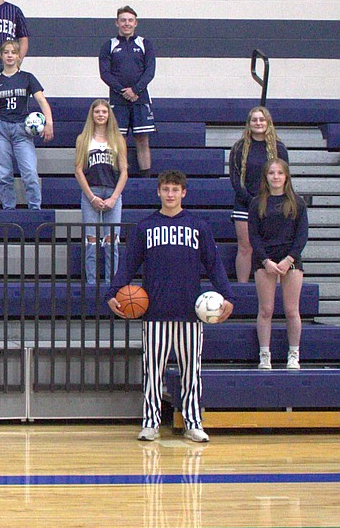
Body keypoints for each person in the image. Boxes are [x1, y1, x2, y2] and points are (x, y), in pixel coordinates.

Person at [108, 170, 236, 443]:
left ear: (183, 193)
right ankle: (150, 422)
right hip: (154, 313)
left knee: (192, 372)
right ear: (158, 192)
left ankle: (192, 422)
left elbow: (214, 264)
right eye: (165, 189)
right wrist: (113, 292)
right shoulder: (145, 227)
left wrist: (227, 295)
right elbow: (128, 264)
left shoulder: (198, 226)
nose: (170, 194)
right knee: (152, 371)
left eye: (175, 190)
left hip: (190, 313)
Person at [249, 158, 308, 370]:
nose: (275, 176)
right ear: (266, 176)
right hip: (265, 260)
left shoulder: (297, 202)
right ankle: (264, 355)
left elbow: (302, 235)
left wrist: (289, 259)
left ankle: (294, 354)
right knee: (266, 309)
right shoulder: (257, 202)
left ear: (286, 176)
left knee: (292, 310)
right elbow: (253, 236)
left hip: (290, 260)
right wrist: (265, 260)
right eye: (271, 173)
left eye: (279, 173)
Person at [0, 40, 54, 210]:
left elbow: (41, 100)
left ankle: (35, 209)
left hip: (22, 129)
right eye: (6, 52)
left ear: (18, 56)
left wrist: (49, 122)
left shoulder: (27, 77)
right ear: (1, 56)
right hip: (0, 129)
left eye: (13, 52)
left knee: (29, 172)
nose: (9, 55)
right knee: (4, 174)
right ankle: (9, 210)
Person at [230, 106, 288, 283]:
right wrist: (250, 200)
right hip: (245, 203)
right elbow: (234, 177)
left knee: (272, 248)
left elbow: (284, 177)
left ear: (268, 123)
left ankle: (273, 287)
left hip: (272, 204)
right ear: (249, 124)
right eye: (254, 120)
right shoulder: (239, 148)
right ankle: (242, 287)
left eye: (262, 120)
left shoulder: (278, 148)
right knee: (245, 247)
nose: (258, 123)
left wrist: (272, 201)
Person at [74, 99, 129, 285]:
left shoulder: (118, 139)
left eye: (104, 111)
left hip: (113, 192)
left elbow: (124, 172)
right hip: (92, 191)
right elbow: (78, 170)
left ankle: (110, 284)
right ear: (92, 114)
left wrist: (114, 198)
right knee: (91, 241)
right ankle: (91, 284)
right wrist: (91, 197)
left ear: (108, 115)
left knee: (111, 240)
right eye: (97, 111)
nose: (100, 115)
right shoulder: (83, 139)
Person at [99, 6, 156, 177]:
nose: (126, 23)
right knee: (119, 141)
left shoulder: (145, 44)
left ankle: (146, 178)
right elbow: (105, 73)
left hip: (140, 99)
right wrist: (122, 91)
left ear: (136, 23)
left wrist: (136, 90)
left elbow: (150, 71)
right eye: (123, 20)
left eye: (130, 20)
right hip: (118, 101)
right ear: (117, 23)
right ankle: (120, 176)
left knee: (142, 140)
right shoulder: (109, 45)